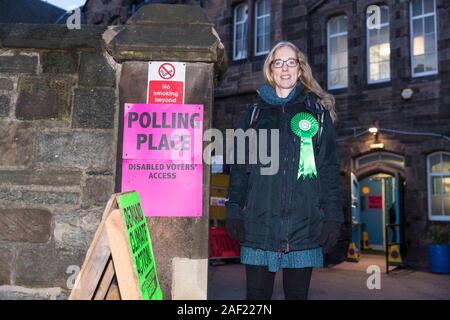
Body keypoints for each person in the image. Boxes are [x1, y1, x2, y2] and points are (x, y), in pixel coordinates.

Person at [225, 41, 344, 300]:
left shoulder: (317, 114)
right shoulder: (253, 114)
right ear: (271, 70)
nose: (285, 68)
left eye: (291, 62)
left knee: (297, 295)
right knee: (255, 298)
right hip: (259, 225)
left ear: (300, 69)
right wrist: (234, 207)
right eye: (278, 62)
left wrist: (333, 215)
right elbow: (239, 168)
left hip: (303, 226)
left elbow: (328, 169)